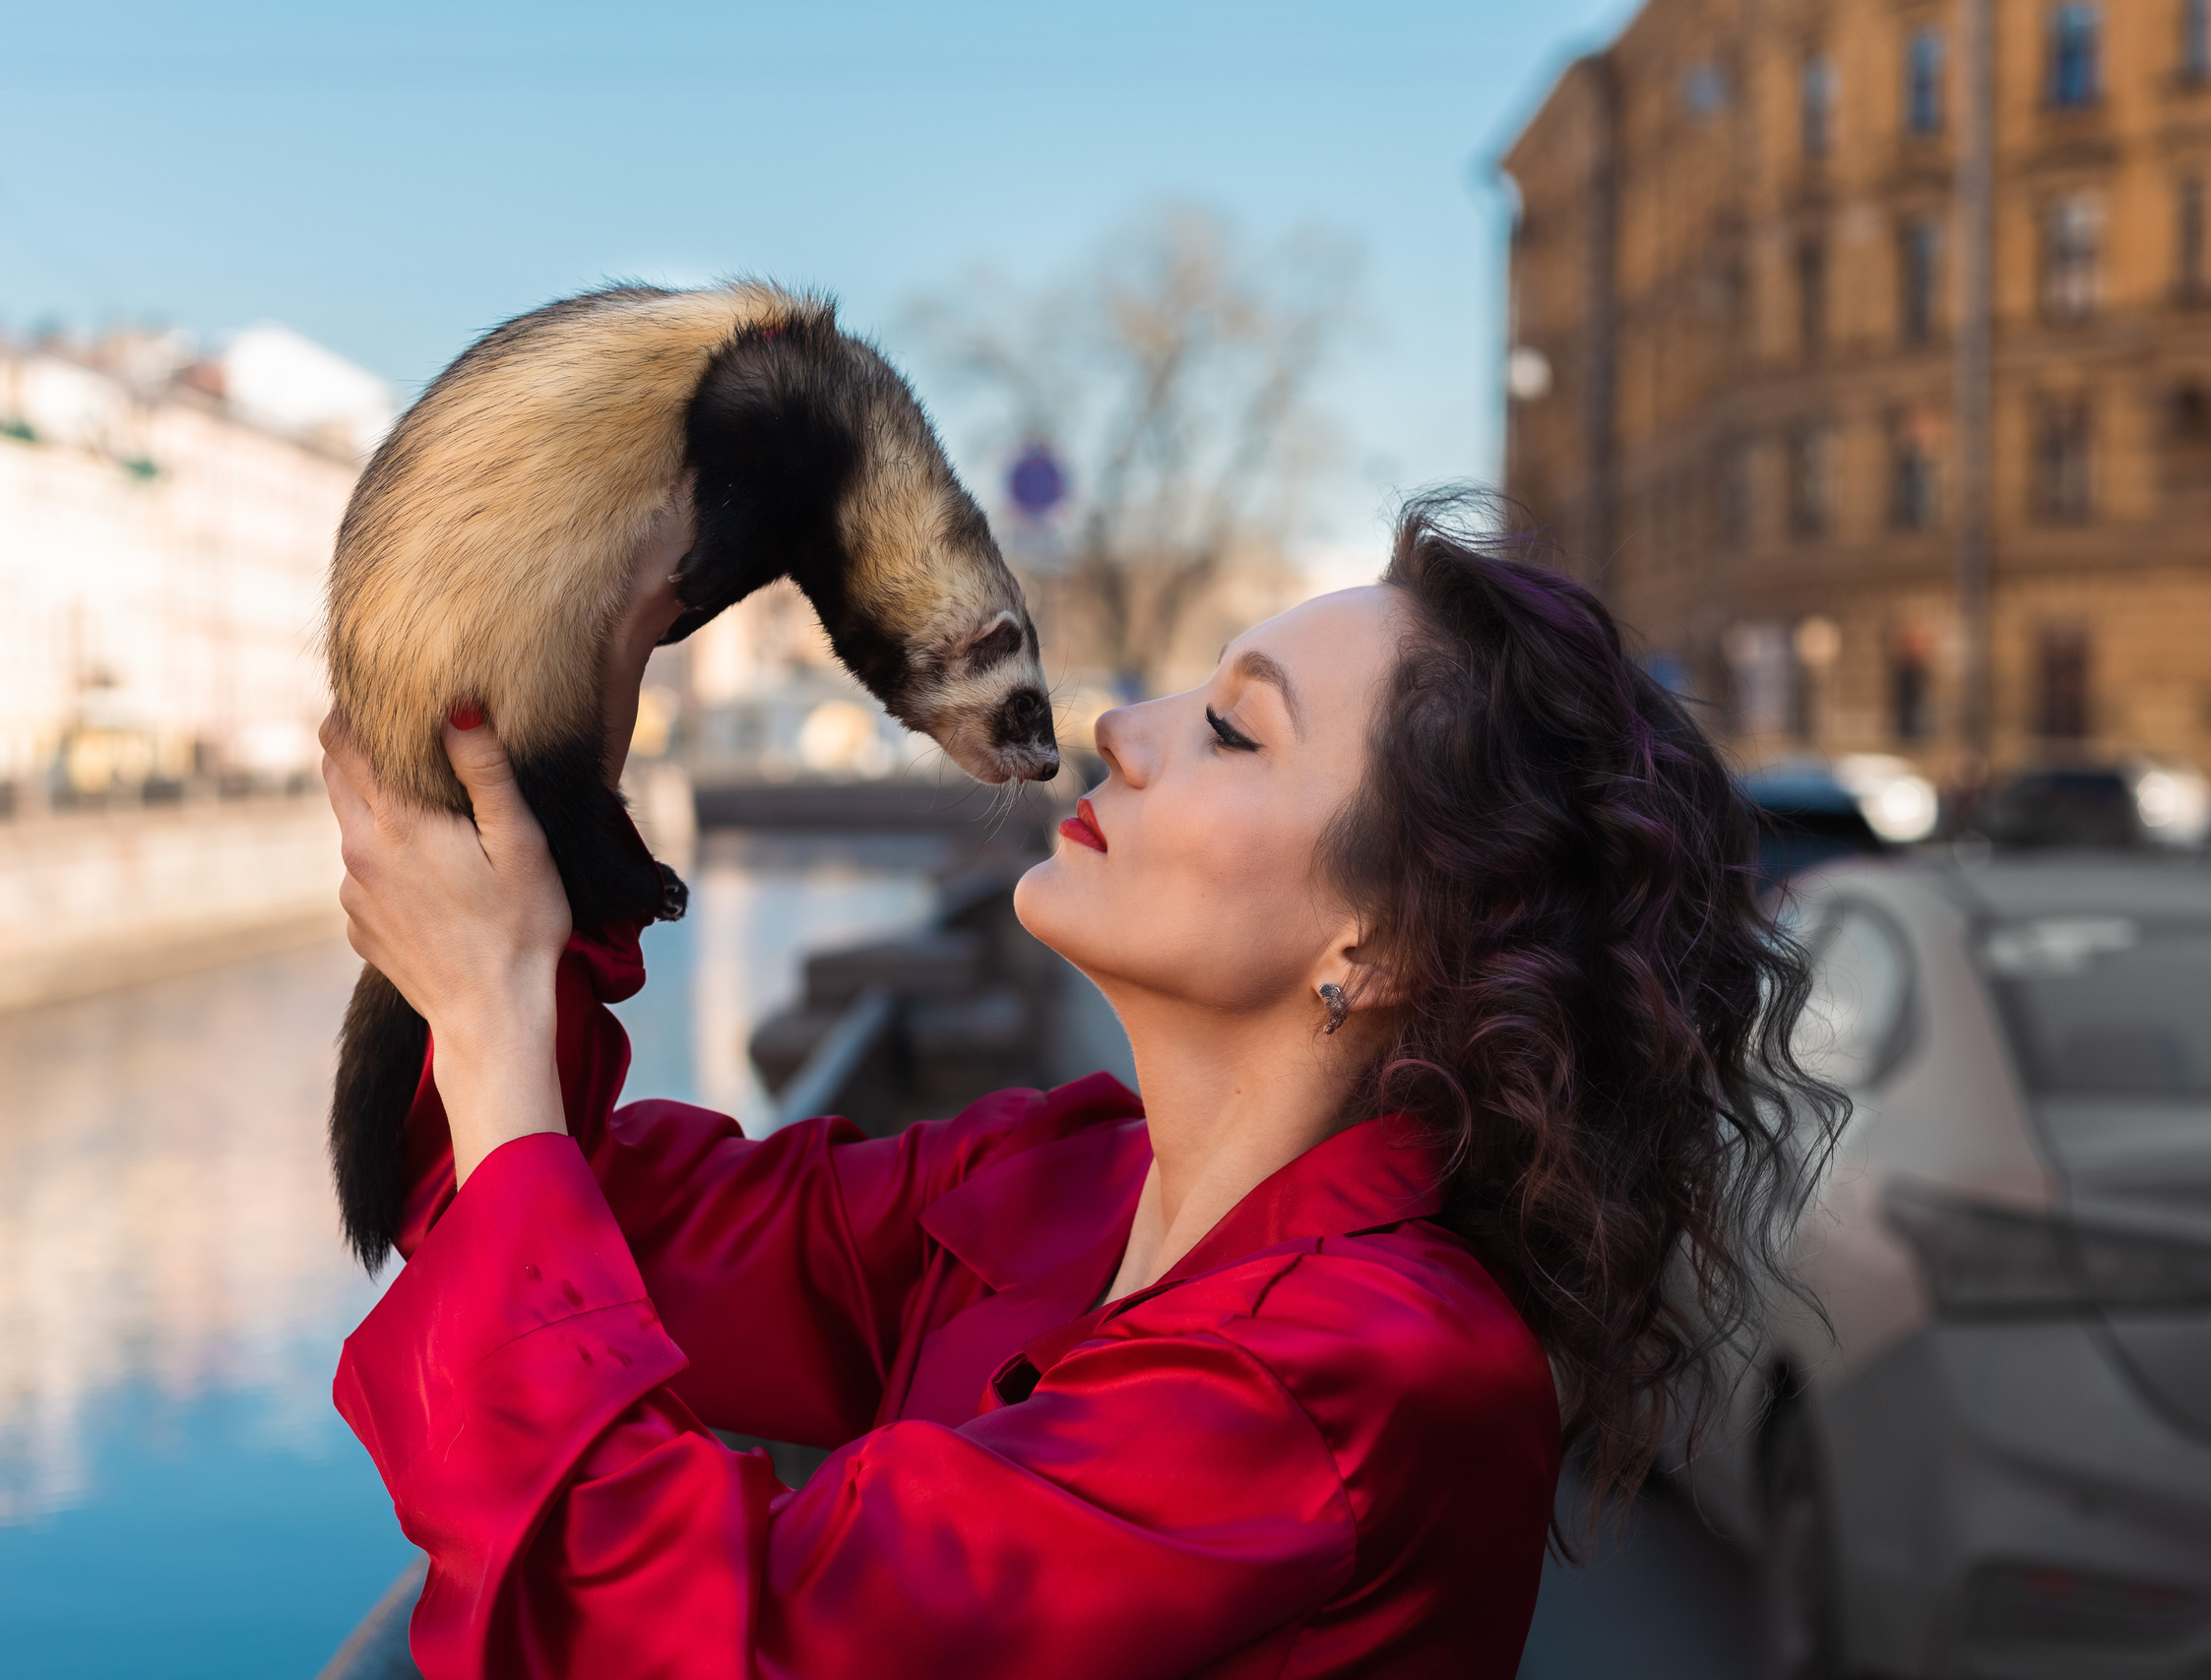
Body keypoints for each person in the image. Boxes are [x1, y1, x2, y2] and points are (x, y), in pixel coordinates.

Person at [319, 496, 1836, 1680]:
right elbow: (537, 1226)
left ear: (1379, 943)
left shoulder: (1368, 1375)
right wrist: (558, 781)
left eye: (1235, 727)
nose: (1125, 726)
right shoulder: (1061, 1181)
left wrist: (496, 1020)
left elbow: (723, 1646)